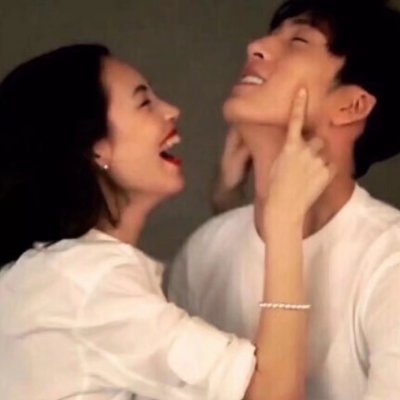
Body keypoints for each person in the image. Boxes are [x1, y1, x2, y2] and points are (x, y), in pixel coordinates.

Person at [0, 44, 333, 400]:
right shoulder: (88, 286)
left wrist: (228, 208)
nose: (171, 110)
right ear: (97, 148)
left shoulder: (58, 274)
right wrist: (284, 221)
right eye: (145, 102)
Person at [168, 1, 400, 399]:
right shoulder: (204, 250)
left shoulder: (389, 259)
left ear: (352, 105)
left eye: (298, 40)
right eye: (271, 34)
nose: (255, 46)